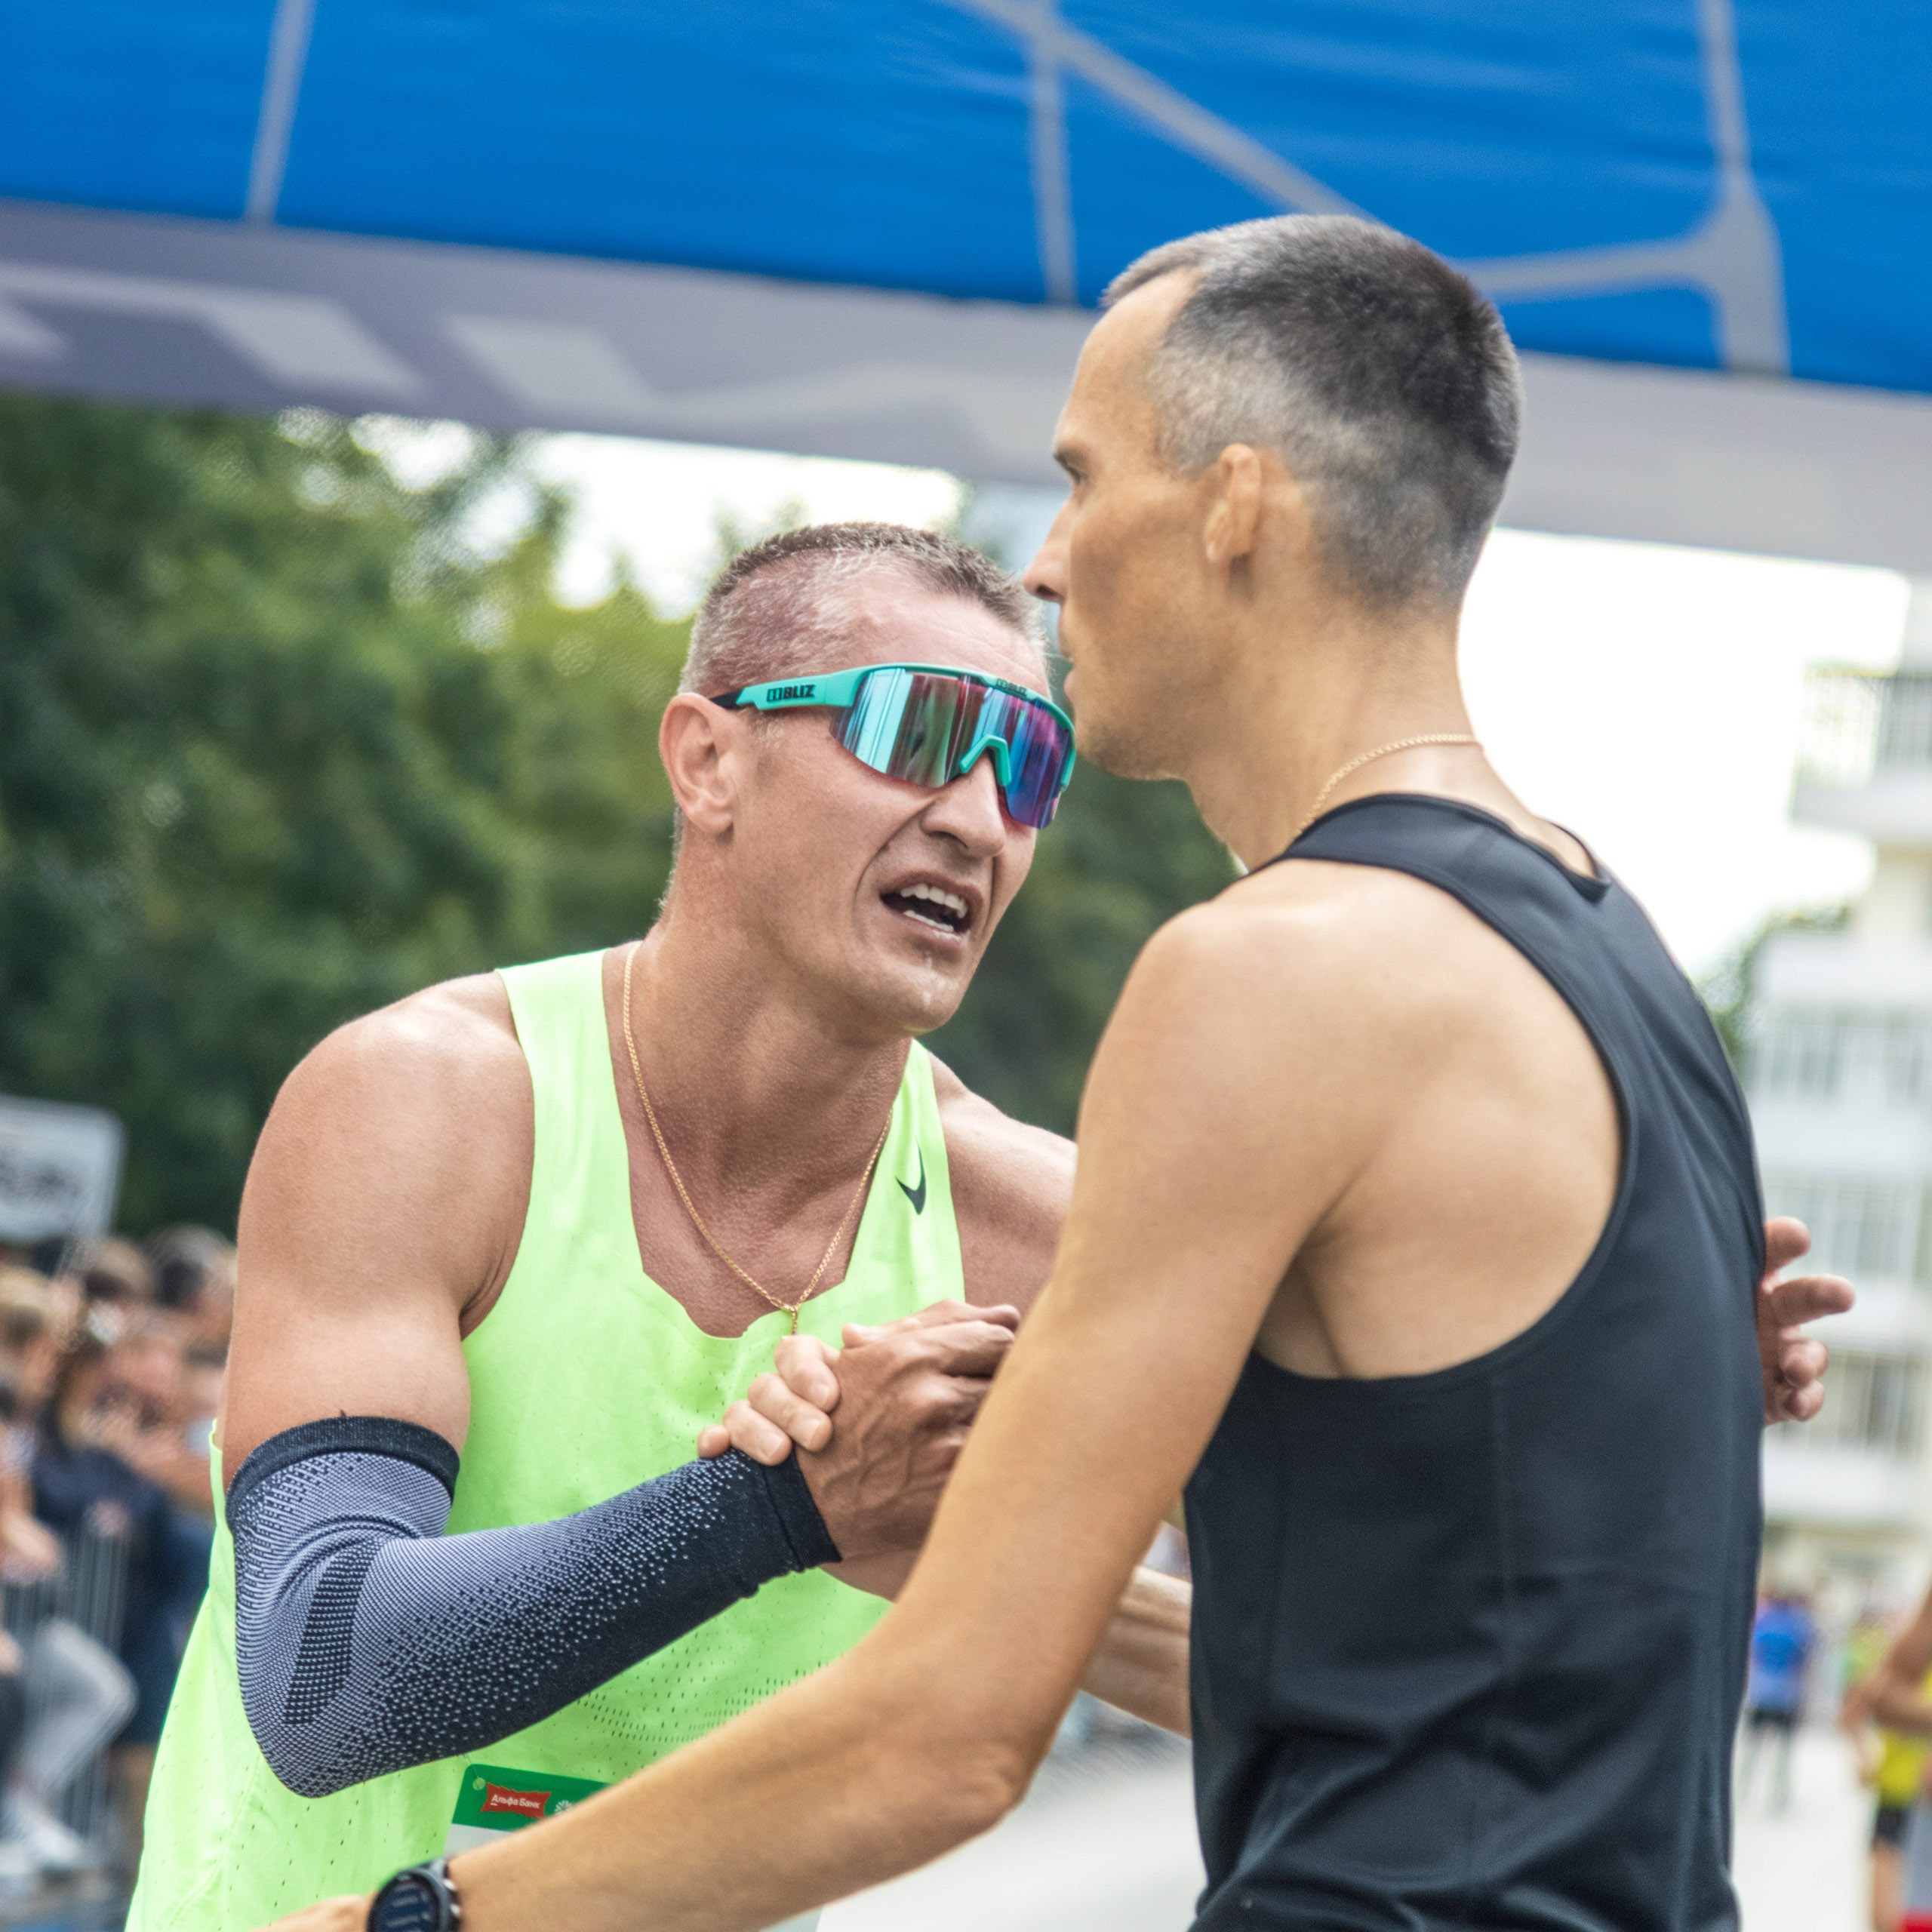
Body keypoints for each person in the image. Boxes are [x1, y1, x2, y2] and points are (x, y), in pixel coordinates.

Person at [264, 214, 1859, 1932]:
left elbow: (937, 1739)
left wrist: (411, 1921)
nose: (1046, 557)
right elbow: (1440, 1659)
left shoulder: (1267, 968)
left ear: (1234, 504)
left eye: (1082, 477)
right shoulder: (1616, 963)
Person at [129, 522, 1193, 1932]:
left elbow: (1346, 1673)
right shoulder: (431, 1102)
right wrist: (788, 1508)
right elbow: (328, 1679)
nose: (981, 816)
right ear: (707, 759)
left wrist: (992, 1561)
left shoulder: (1033, 1229)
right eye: (921, 732)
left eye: (1032, 765)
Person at [1738, 1586, 1817, 1811]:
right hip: (1787, 1695)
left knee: (1752, 1745)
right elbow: (1804, 1664)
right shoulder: (1799, 1627)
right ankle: (1780, 1794)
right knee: (1784, 1748)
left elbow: (1753, 1656)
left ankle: (1743, 1787)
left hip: (1762, 1692)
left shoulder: (1765, 1622)